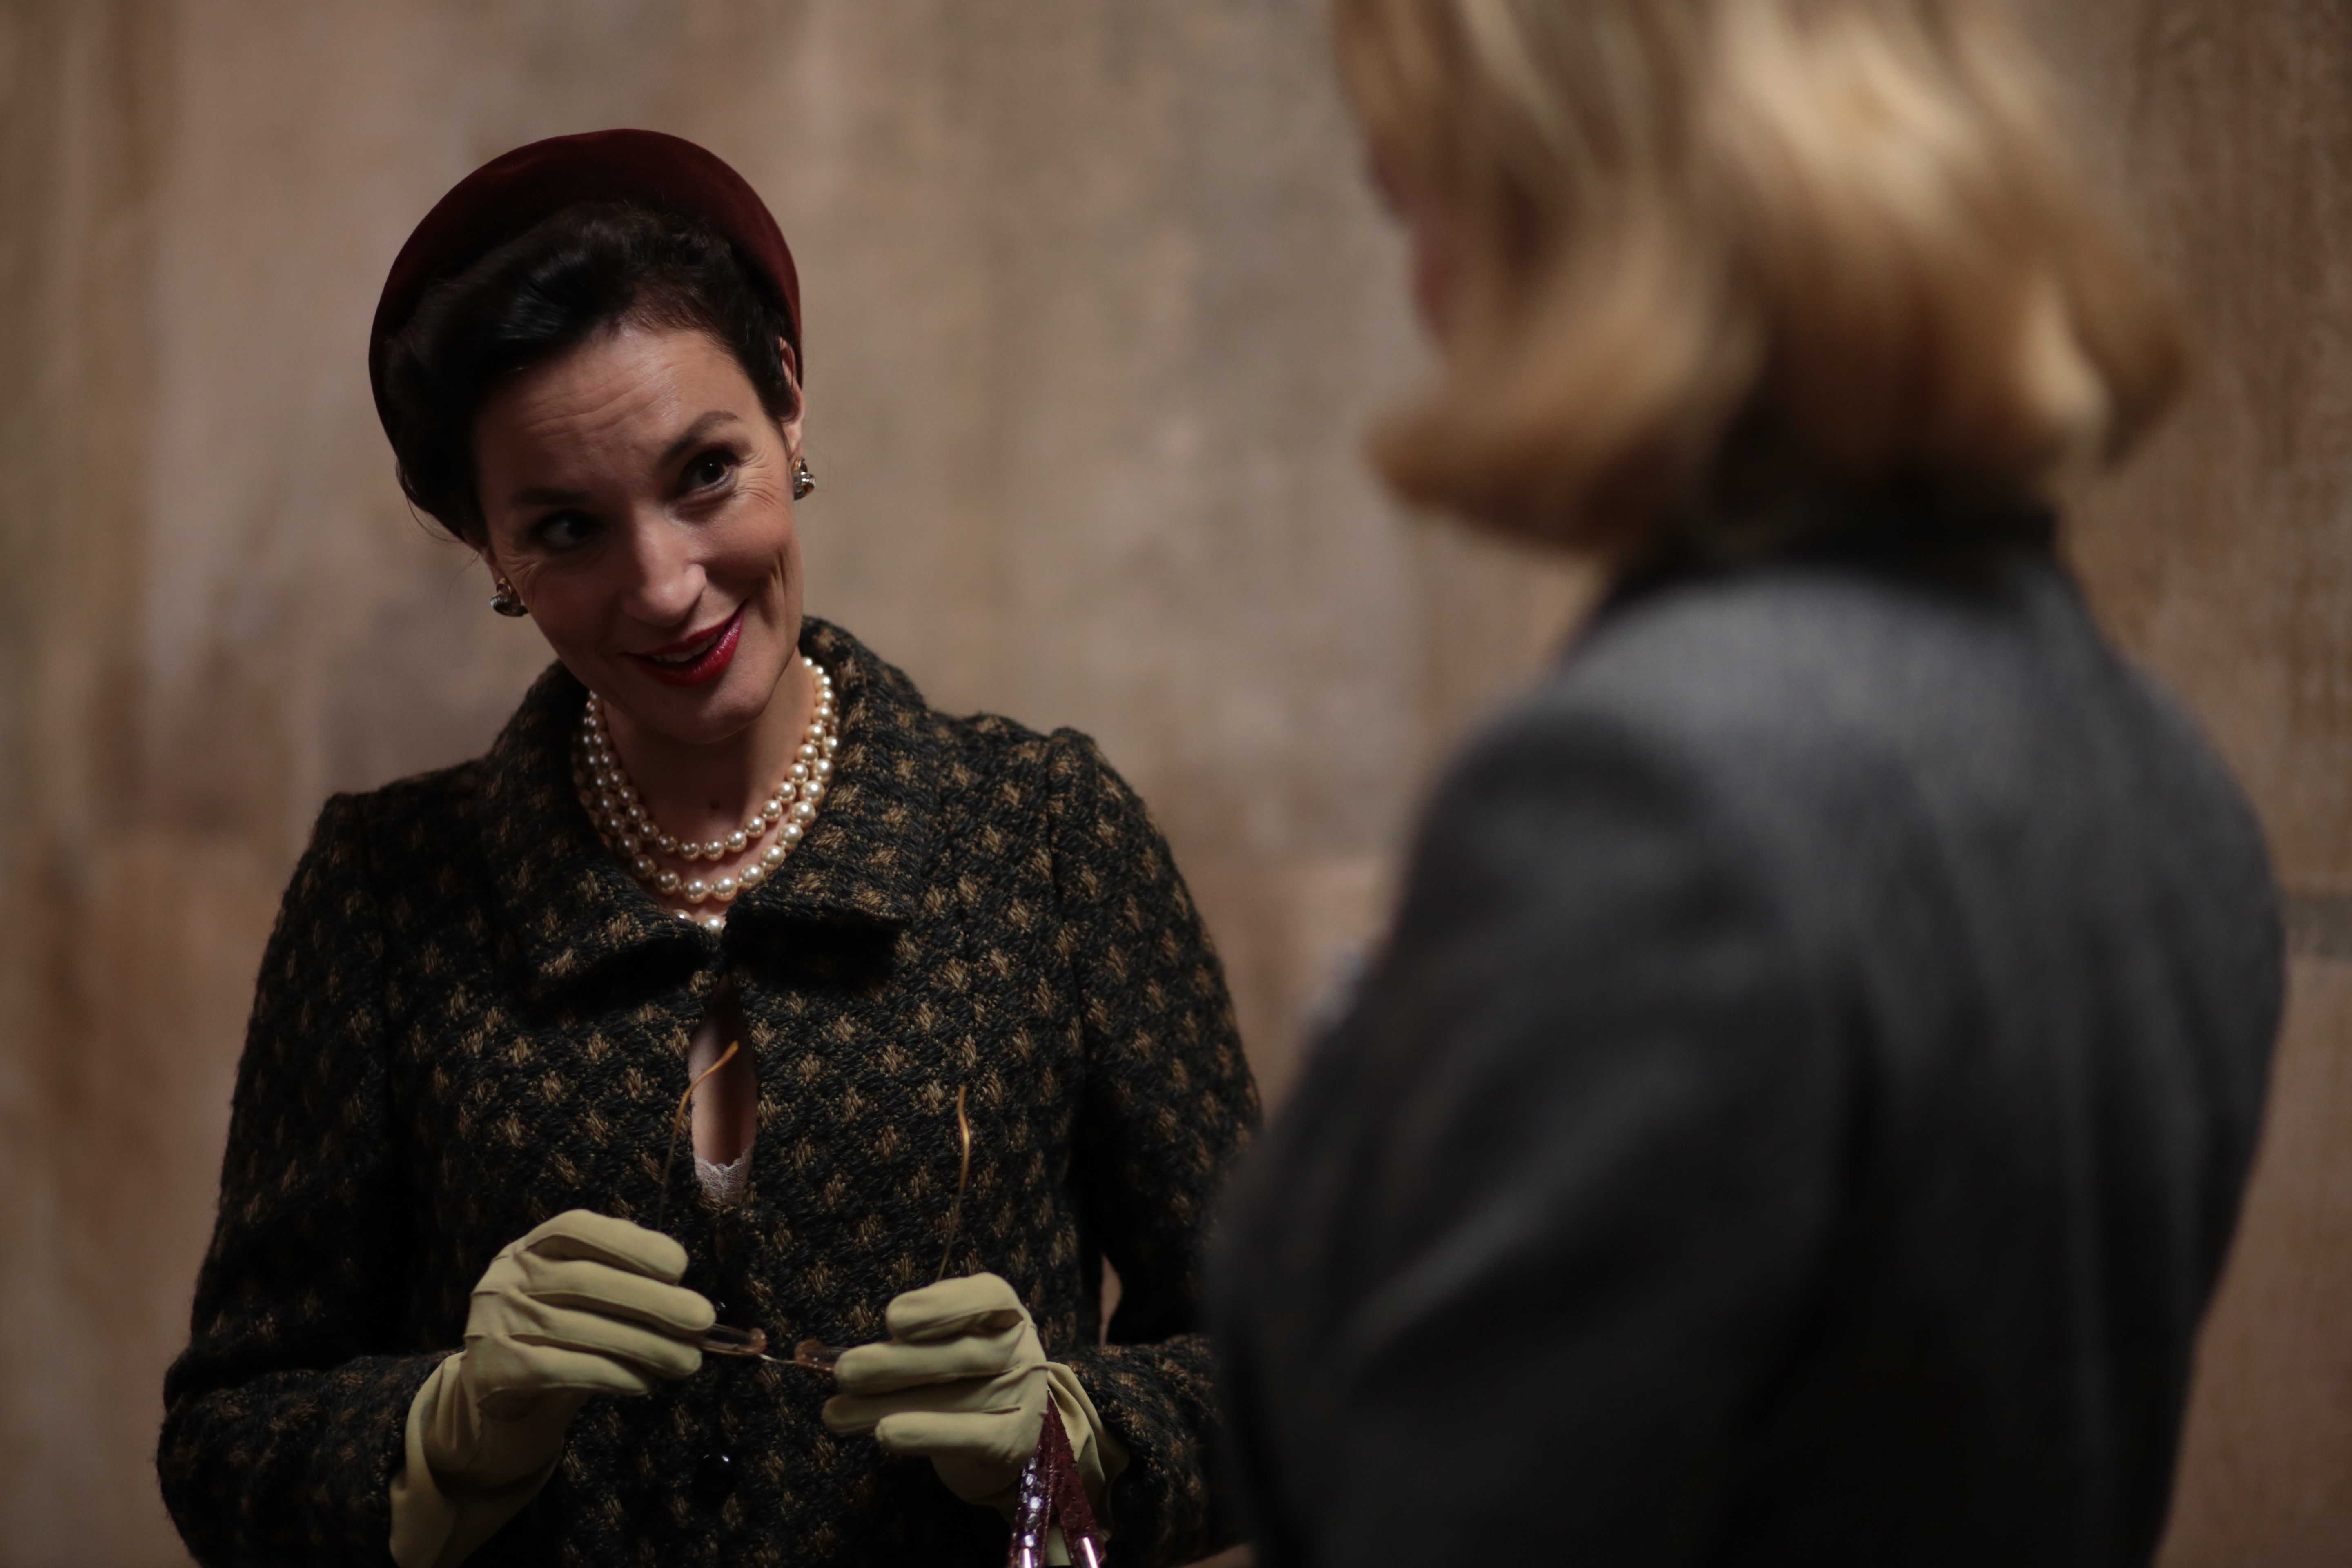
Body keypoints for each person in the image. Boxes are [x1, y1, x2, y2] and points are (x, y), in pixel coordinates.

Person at [1212, 3, 2281, 1565]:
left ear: (1581, 216)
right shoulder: (2159, 776)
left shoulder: (1648, 798)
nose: (1424, 289)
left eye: (1416, 200)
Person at [155, 130, 1256, 1568]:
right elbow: (226, 1439)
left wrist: (1077, 1434)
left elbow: (1283, 1375)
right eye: (566, 527)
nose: (666, 586)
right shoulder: (386, 891)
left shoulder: (1045, 836)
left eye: (705, 473)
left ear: (790, 403)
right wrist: (444, 1429)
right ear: (488, 549)